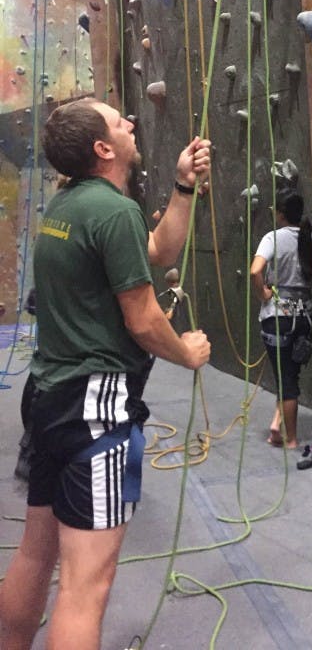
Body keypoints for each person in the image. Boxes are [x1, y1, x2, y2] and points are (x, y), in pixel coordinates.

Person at [0, 99, 212, 650]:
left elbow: (156, 250)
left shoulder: (69, 206)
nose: (131, 123)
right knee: (85, 586)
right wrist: (185, 352)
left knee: (36, 552)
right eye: (120, 122)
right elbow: (143, 320)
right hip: (95, 409)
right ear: (103, 149)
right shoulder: (113, 212)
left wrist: (183, 187)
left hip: (49, 396)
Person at [250, 191, 312, 449]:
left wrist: (263, 294)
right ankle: (276, 425)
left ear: (279, 213)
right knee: (290, 373)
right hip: (303, 317)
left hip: (277, 316)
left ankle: (290, 440)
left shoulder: (273, 238)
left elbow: (256, 271)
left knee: (285, 378)